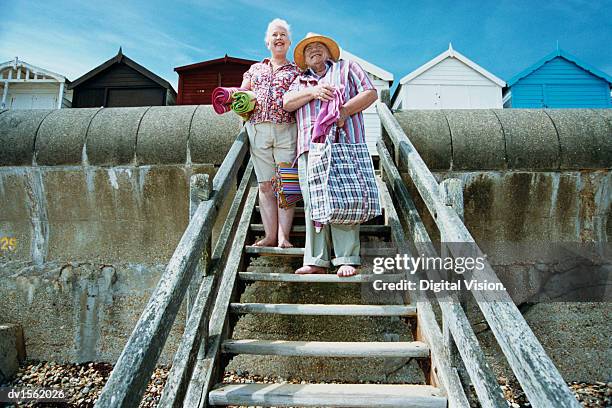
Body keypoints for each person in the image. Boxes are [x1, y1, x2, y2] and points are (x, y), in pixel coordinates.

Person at [283, 33, 378, 277]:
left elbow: (370, 93)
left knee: (344, 198)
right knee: (313, 201)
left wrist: (344, 110)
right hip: (309, 147)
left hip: (343, 142)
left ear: (328, 52)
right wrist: (314, 92)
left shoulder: (347, 68)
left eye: (319, 46)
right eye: (309, 49)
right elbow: (287, 103)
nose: (314, 50)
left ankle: (347, 258)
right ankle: (316, 260)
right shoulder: (299, 81)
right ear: (303, 58)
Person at [241, 18, 301, 248]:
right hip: (258, 130)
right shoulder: (254, 69)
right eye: (275, 35)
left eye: (283, 35)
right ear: (267, 42)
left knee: (287, 183)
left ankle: (284, 237)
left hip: (287, 130)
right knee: (266, 185)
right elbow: (243, 93)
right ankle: (270, 236)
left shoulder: (297, 71)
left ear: (289, 42)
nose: (279, 38)